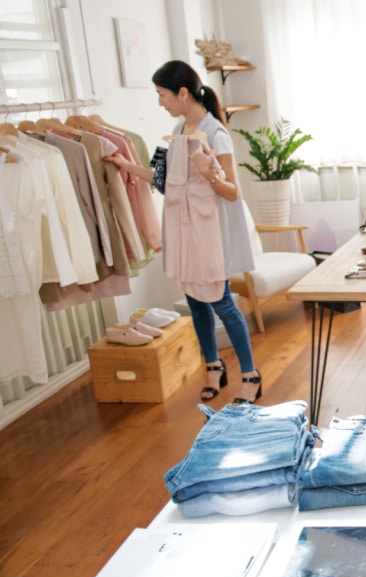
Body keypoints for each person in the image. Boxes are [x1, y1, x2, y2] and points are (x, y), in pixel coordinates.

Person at [105, 60, 262, 405]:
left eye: (162, 94)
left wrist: (208, 173)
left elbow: (232, 192)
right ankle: (213, 367)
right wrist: (126, 166)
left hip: (210, 235)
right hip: (185, 232)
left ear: (182, 93)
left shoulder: (216, 134)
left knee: (221, 302)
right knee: (195, 301)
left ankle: (250, 374)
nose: (160, 102)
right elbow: (163, 180)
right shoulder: (178, 131)